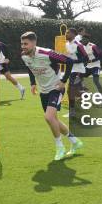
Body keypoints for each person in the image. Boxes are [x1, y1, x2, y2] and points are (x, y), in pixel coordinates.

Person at [20, 31, 83, 160]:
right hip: (43, 91)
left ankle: (60, 147)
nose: (23, 46)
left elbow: (69, 61)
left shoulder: (47, 53)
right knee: (53, 120)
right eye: (22, 44)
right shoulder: (24, 56)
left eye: (26, 44)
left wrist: (63, 80)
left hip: (56, 88)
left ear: (34, 43)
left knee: (49, 117)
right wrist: (32, 83)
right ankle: (75, 142)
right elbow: (29, 67)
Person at [64, 28, 89, 116]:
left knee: (70, 91)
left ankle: (72, 112)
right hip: (72, 71)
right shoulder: (66, 44)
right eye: (66, 33)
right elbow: (69, 57)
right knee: (73, 92)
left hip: (78, 71)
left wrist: (74, 62)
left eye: (68, 33)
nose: (66, 34)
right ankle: (86, 95)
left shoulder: (78, 45)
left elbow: (86, 58)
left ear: (74, 34)